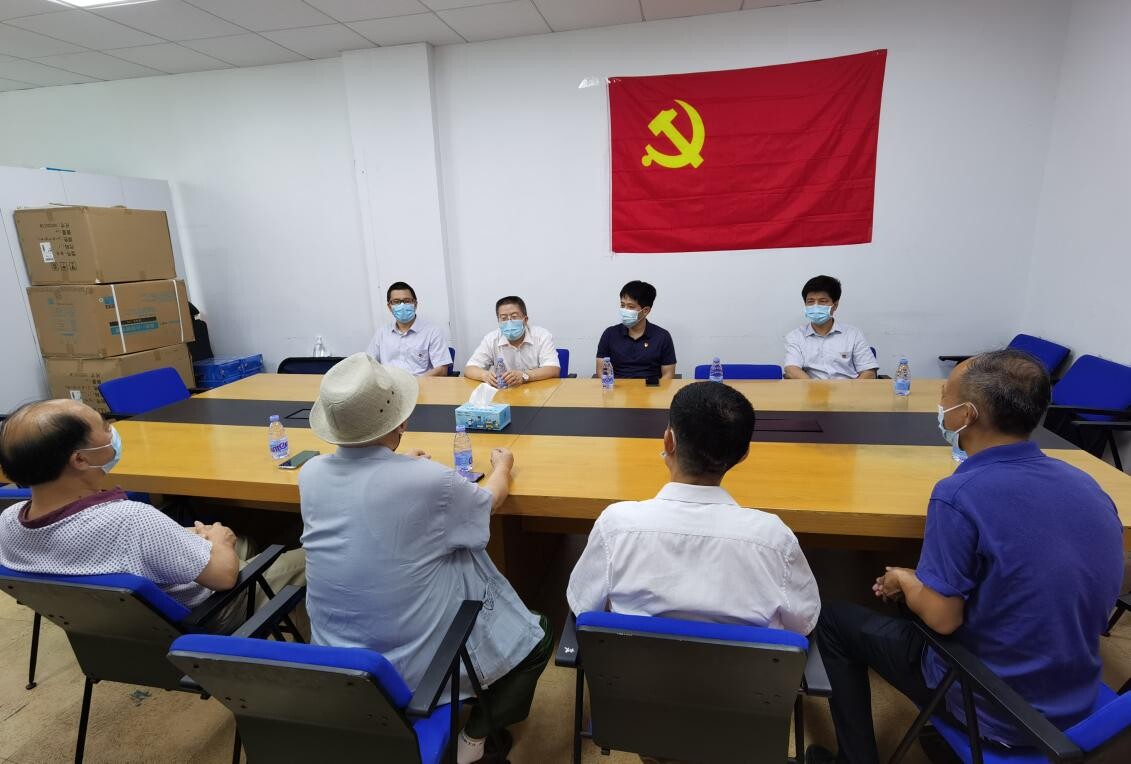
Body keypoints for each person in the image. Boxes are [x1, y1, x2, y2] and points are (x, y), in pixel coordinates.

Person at [809, 349, 1124, 764]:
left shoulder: (959, 494)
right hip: (1080, 702)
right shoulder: (1087, 484)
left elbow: (943, 619)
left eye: (945, 395)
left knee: (833, 620)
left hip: (1000, 711)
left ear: (966, 414)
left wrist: (906, 580)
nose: (940, 405)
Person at [300, 353, 551, 764]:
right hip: (411, 671)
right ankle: (474, 738)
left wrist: (405, 469)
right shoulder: (427, 481)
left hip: (335, 659)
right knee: (537, 636)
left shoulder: (310, 474)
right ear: (400, 422)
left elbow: (372, 496)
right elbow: (488, 502)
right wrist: (503, 466)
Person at [0, 399, 306, 633]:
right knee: (311, 559)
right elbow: (224, 577)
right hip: (207, 613)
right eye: (104, 426)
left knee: (246, 541)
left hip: (118, 627)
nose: (112, 430)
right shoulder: (132, 520)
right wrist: (219, 541)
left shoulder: (8, 521)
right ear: (80, 460)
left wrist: (193, 539)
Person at [567, 382, 820, 634]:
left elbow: (584, 607)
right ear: (744, 454)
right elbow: (803, 622)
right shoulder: (774, 539)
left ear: (668, 441)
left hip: (632, 660)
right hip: (742, 663)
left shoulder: (616, 526)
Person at [784, 275, 878, 380]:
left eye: (822, 301)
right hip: (811, 388)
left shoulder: (853, 334)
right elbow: (792, 369)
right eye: (810, 301)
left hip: (848, 388)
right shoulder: (796, 336)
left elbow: (869, 372)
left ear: (835, 305)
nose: (816, 306)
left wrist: (853, 390)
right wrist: (815, 388)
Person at [464, 296, 559, 387]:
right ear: (499, 322)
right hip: (504, 393)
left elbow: (553, 369)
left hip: (537, 392)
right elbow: (469, 368)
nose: (509, 322)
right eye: (503, 318)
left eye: (514, 317)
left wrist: (525, 376)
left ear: (525, 320)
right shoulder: (491, 339)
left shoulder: (542, 336)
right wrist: (484, 375)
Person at [366, 281, 451, 376]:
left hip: (421, 383)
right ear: (389, 307)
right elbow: (369, 363)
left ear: (415, 304)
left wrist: (414, 382)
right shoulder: (382, 333)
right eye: (396, 302)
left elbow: (442, 370)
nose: (402, 305)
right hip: (389, 384)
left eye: (407, 301)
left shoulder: (432, 332)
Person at [596, 280, 677, 379]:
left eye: (631, 307)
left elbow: (668, 374)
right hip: (617, 386)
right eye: (622, 305)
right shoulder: (610, 334)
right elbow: (601, 371)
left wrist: (654, 388)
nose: (625, 310)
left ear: (645, 311)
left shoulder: (662, 336)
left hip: (650, 387)